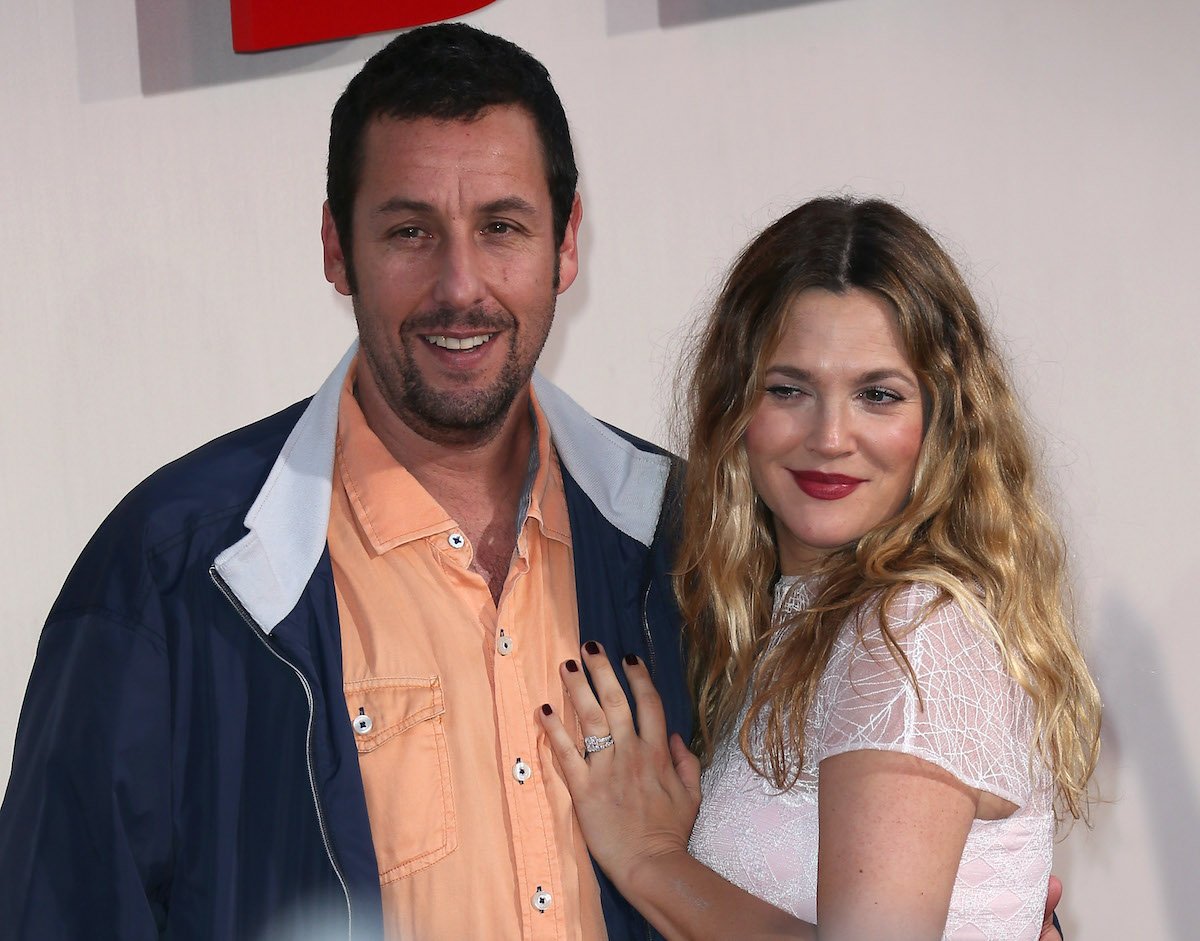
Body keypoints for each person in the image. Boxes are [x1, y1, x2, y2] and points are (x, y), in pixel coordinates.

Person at [0, 23, 692, 940]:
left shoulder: (688, 539)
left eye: (502, 227)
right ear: (337, 248)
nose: (460, 284)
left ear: (567, 244)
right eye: (410, 231)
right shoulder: (167, 573)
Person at [539, 197, 1100, 939]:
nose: (831, 436)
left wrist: (649, 856)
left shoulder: (910, 633)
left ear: (944, 417)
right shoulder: (797, 615)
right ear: (735, 404)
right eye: (789, 389)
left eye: (878, 394)